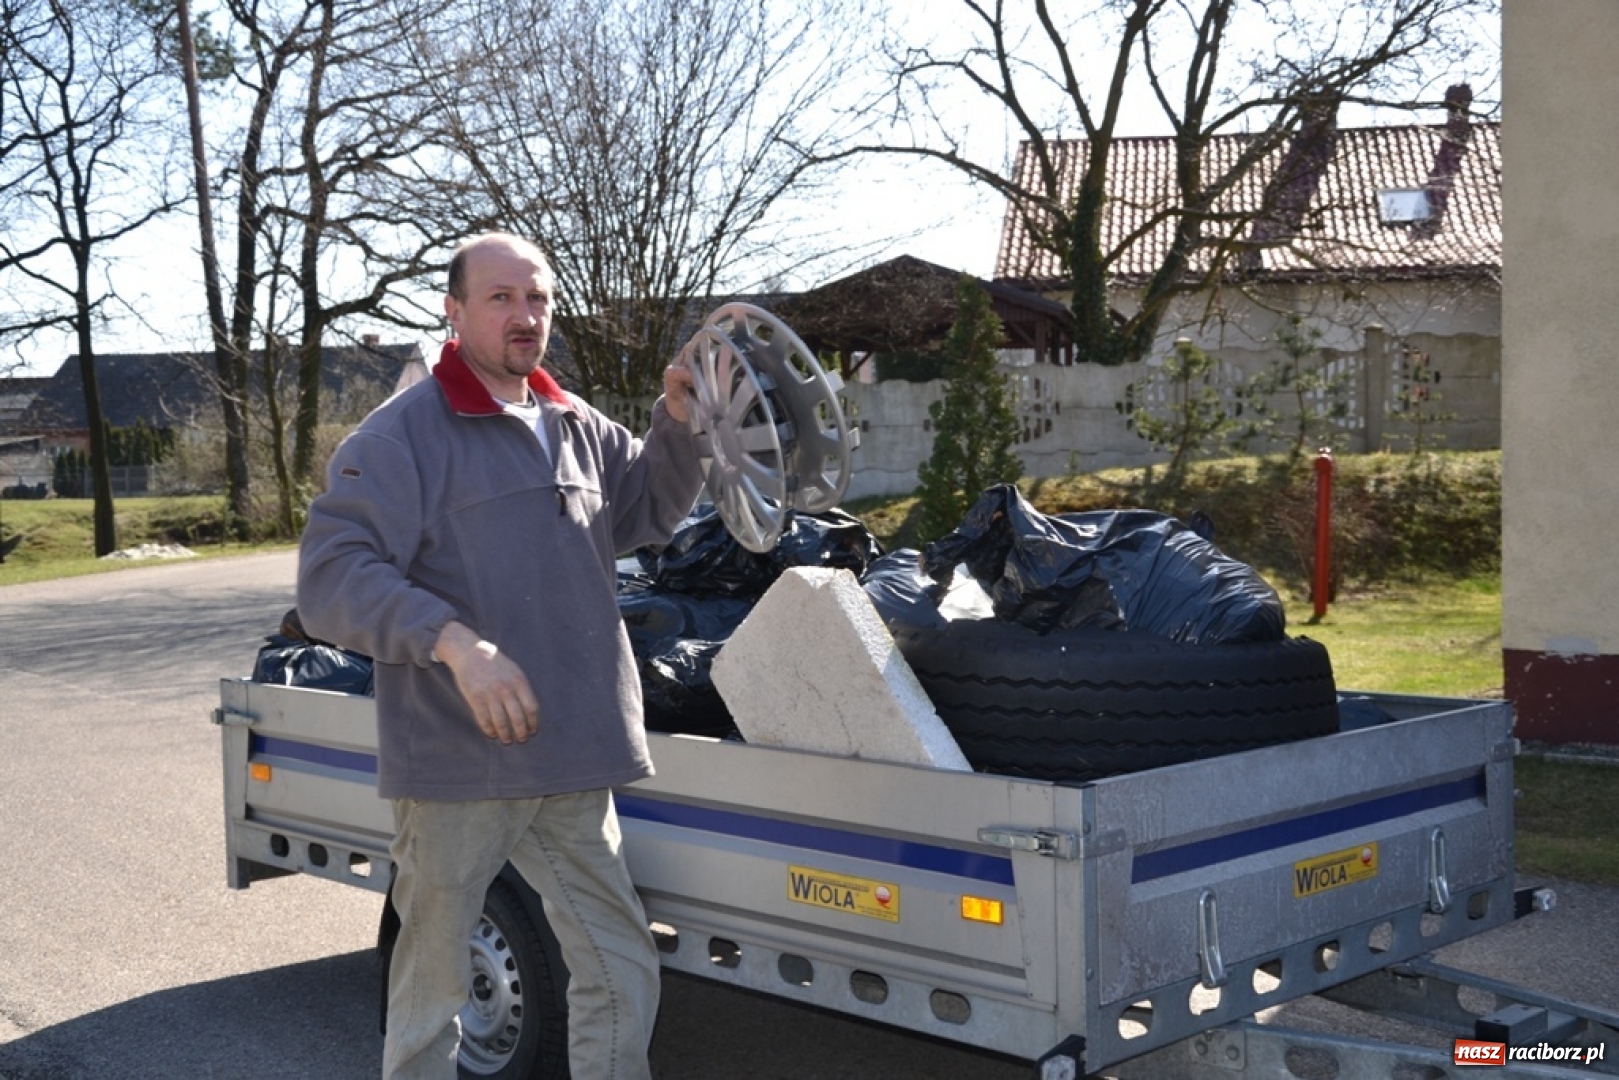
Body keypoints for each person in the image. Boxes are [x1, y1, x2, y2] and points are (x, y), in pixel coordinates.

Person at [296, 232, 703, 1079]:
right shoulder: (401, 436)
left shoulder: (573, 422)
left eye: (538, 298)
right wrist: (454, 644)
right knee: (431, 982)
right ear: (453, 311)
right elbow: (331, 579)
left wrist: (676, 422)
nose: (525, 316)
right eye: (500, 298)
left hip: (571, 754)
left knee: (620, 965)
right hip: (458, 765)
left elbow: (646, 511)